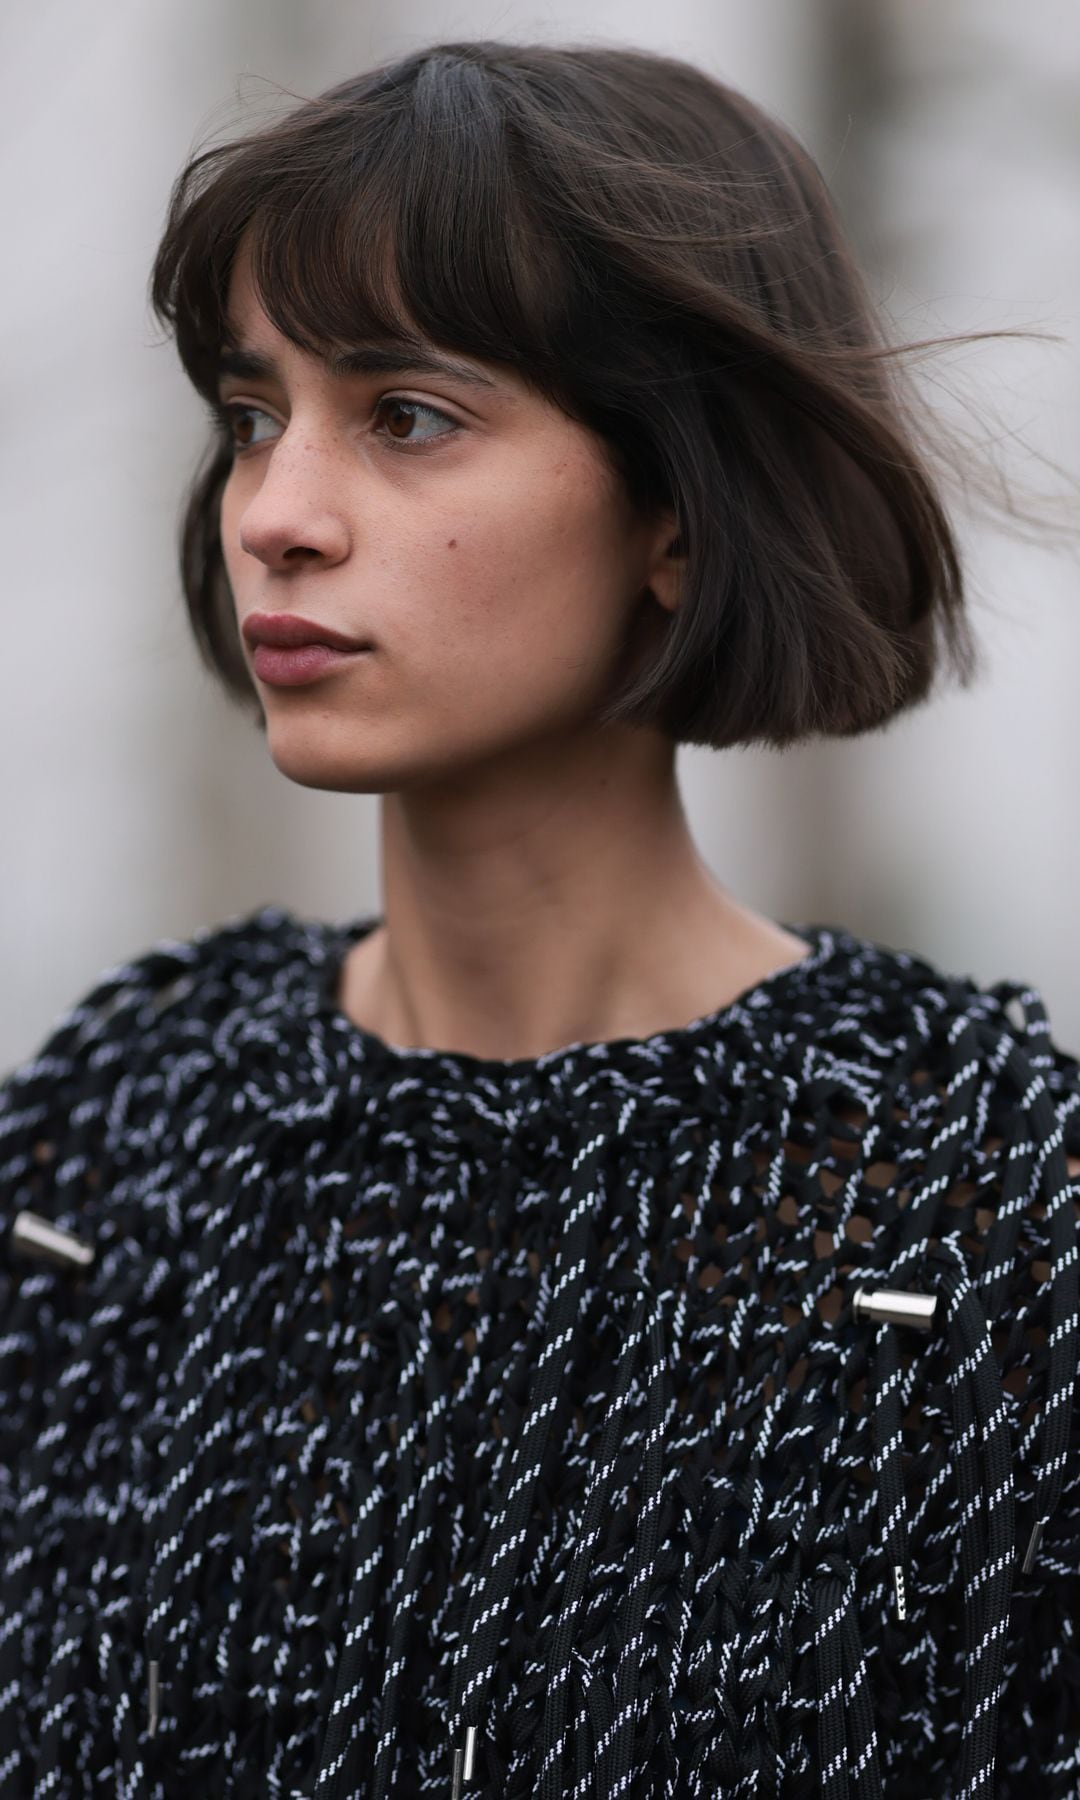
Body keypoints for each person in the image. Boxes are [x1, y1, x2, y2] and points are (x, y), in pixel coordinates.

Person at [1, 38, 1077, 1800]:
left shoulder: (973, 1205)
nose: (275, 515)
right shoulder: (113, 1142)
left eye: (407, 417)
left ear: (675, 504)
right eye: (255, 416)